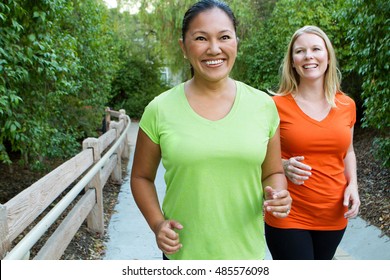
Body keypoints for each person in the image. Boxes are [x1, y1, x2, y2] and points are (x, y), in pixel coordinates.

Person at [130, 0, 291, 260]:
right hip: (182, 258)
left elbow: (272, 172)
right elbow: (141, 177)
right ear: (184, 47)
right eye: (201, 38)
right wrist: (157, 224)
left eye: (224, 37)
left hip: (246, 257)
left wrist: (279, 194)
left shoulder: (263, 106)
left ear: (236, 42)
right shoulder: (159, 109)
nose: (214, 49)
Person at [264, 25, 361, 260]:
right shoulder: (274, 106)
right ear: (292, 62)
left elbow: (347, 151)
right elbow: (256, 154)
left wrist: (353, 186)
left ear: (327, 57)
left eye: (316, 49)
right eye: (300, 51)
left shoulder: (346, 105)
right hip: (288, 212)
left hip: (333, 213)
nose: (308, 56)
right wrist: (283, 165)